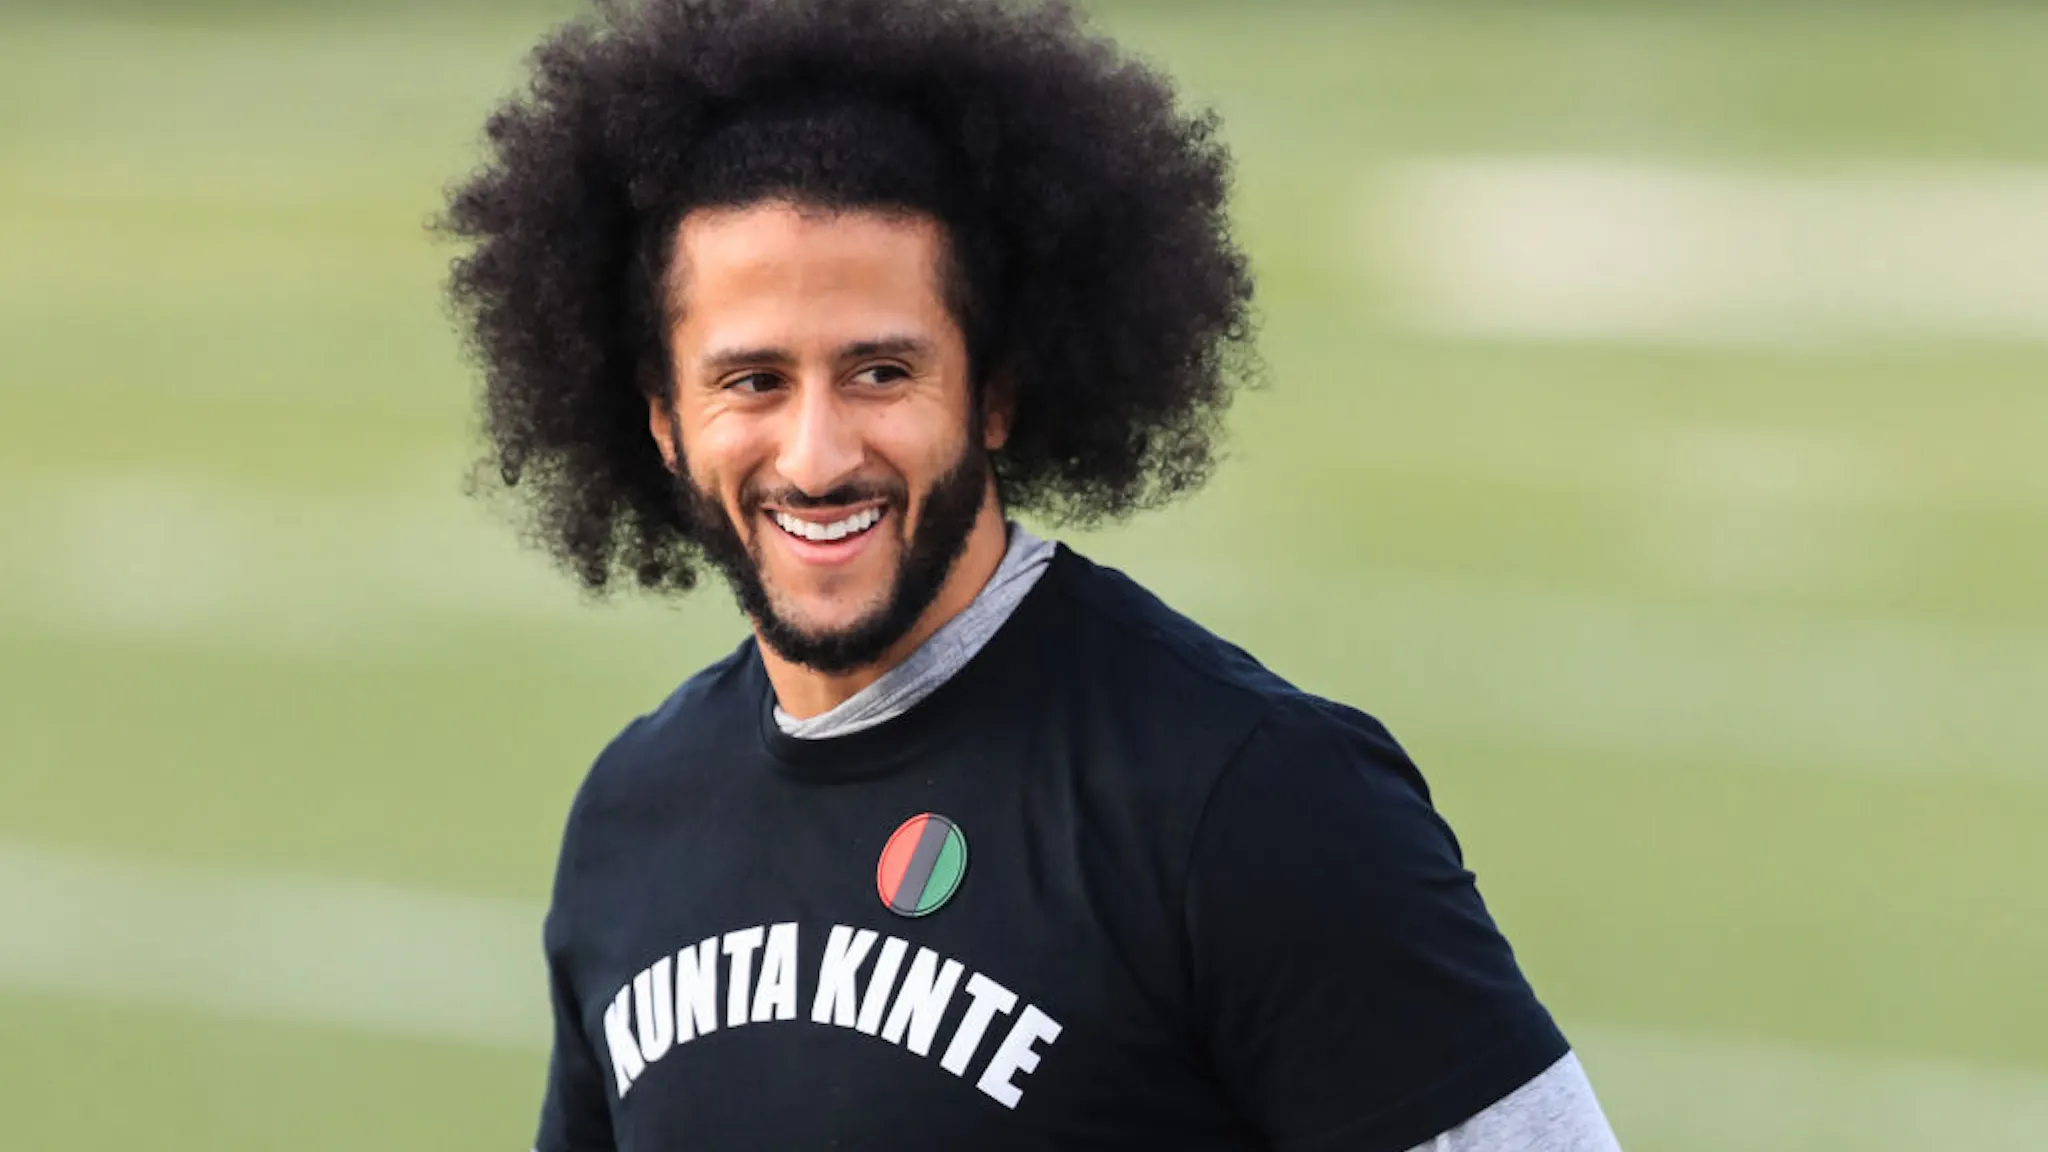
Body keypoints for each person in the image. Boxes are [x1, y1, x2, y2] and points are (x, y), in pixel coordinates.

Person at [442, 0, 1621, 1148]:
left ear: (995, 390)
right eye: (753, 382)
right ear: (661, 421)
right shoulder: (631, 817)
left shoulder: (1246, 800)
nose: (816, 455)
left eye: (880, 374)